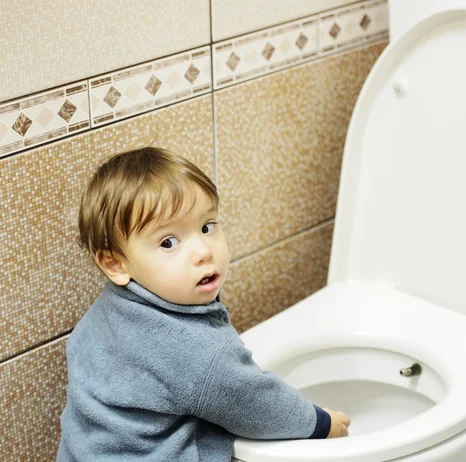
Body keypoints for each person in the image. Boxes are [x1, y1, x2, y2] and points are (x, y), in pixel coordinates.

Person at [57, 147, 351, 461]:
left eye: (207, 226)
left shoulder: (106, 314)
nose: (203, 251)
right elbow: (258, 404)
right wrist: (321, 424)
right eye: (168, 242)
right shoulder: (201, 352)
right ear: (115, 264)